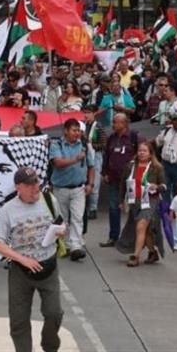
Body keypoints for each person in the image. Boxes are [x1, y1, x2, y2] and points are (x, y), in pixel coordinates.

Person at [0, 166, 65, 352]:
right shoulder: (8, 210)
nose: (35, 188)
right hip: (21, 272)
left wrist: (62, 231)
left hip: (48, 266)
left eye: (36, 183)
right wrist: (23, 260)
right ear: (18, 188)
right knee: (19, 320)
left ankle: (49, 345)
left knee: (54, 313)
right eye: (29, 185)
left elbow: (60, 222)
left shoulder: (49, 199)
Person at [49, 119, 94, 261]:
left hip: (79, 188)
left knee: (77, 217)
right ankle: (64, 244)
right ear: (66, 131)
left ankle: (75, 246)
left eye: (79, 130)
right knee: (62, 219)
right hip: (60, 188)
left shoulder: (84, 145)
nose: (77, 133)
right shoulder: (57, 145)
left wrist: (90, 184)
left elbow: (91, 166)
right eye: (74, 130)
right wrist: (75, 159)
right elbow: (57, 163)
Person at [116, 141, 166, 267]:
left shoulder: (156, 168)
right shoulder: (130, 166)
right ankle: (152, 252)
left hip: (150, 201)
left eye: (145, 151)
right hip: (135, 201)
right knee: (146, 231)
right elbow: (123, 184)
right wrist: (121, 200)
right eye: (140, 151)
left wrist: (157, 186)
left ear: (150, 154)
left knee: (141, 227)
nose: (141, 153)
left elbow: (164, 186)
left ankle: (135, 256)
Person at [99, 113, 140, 247]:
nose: (113, 125)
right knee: (113, 208)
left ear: (124, 123)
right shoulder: (111, 138)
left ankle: (134, 238)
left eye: (116, 122)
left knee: (133, 209)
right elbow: (107, 156)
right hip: (113, 179)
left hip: (130, 180)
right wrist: (104, 172)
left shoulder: (134, 137)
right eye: (113, 122)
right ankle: (113, 237)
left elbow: (143, 153)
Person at [82, 103, 105, 220]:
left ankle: (93, 208)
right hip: (85, 155)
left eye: (88, 113)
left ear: (94, 114)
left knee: (94, 182)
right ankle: (84, 207)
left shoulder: (98, 127)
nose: (86, 115)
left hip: (96, 155)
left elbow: (103, 144)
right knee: (84, 181)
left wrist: (91, 144)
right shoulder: (82, 126)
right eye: (85, 113)